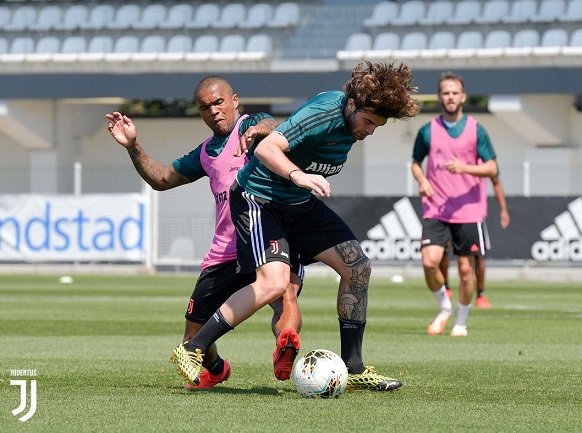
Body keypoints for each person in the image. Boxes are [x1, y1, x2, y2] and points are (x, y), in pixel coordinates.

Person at [172, 61, 420, 390]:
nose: (370, 130)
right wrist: (298, 175)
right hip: (258, 199)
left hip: (297, 204)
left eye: (377, 125)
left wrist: (300, 183)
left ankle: (354, 367)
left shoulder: (352, 125)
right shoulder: (324, 112)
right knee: (274, 284)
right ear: (351, 105)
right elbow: (266, 147)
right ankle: (192, 348)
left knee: (357, 267)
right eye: (368, 121)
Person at [106, 76, 304, 389]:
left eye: (219, 102)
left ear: (234, 100)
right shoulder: (205, 153)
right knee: (193, 335)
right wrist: (133, 146)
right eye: (205, 107)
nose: (213, 111)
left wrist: (256, 131)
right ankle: (216, 367)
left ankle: (285, 342)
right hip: (225, 251)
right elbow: (161, 178)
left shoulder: (252, 127)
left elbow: (269, 123)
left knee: (285, 293)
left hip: (267, 235)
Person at [411, 71, 498, 337]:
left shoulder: (475, 129)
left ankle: (461, 321)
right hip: (437, 208)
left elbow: (493, 167)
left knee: (464, 269)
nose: (450, 97)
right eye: (445, 92)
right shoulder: (427, 131)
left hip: (468, 210)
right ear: (439, 97)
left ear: (463, 96)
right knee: (429, 262)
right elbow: (415, 163)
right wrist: (422, 180)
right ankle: (444, 306)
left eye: (454, 92)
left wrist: (466, 168)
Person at [440, 174, 510, 308]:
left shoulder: (479, 159)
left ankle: (480, 295)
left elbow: (495, 179)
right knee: (443, 251)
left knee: (478, 256)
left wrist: (503, 210)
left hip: (472, 215)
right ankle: (446, 288)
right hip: (447, 213)